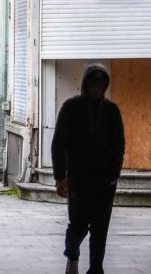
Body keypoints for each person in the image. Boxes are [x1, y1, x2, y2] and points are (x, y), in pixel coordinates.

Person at [52, 62, 125, 274]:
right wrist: (60, 177)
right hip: (78, 179)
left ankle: (96, 268)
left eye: (101, 85)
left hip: (104, 181)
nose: (97, 88)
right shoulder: (71, 108)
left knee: (100, 230)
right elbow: (58, 144)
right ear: (85, 84)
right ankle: (72, 255)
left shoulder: (111, 111)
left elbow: (119, 144)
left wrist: (114, 173)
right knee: (78, 226)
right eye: (93, 84)